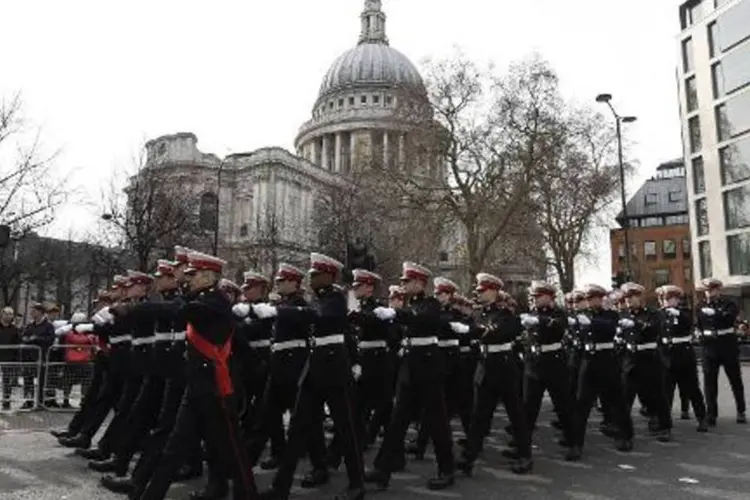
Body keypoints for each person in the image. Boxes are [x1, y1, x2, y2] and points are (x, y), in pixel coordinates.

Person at [136, 250, 257, 500]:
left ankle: (246, 495)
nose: (188, 279)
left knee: (233, 451)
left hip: (217, 388)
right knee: (174, 448)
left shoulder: (215, 302)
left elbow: (181, 311)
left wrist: (134, 310)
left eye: (193, 274)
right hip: (197, 387)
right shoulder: (200, 300)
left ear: (208, 276)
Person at [259, 253, 365, 500]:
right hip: (315, 367)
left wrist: (279, 311)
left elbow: (317, 315)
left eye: (315, 274)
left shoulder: (337, 298)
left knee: (346, 428)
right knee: (297, 427)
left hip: (335, 367)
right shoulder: (316, 300)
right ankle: (280, 487)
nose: (311, 277)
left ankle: (357, 484)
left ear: (328, 275)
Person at [365, 262, 455, 491]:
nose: (403, 285)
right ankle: (382, 469)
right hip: (410, 368)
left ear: (420, 283)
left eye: (407, 281)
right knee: (397, 421)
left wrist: (395, 313)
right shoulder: (411, 306)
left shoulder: (431, 305)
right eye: (403, 281)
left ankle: (447, 470)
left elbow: (421, 319)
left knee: (437, 422)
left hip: (428, 368)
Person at [456, 273, 532, 476]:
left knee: (515, 414)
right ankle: (469, 457)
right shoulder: (479, 313)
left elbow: (495, 332)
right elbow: (476, 329)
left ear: (493, 291)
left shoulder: (505, 314)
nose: (479, 294)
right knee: (478, 415)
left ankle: (525, 455)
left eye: (482, 291)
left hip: (504, 368)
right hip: (485, 367)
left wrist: (472, 330)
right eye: (478, 291)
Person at [696, 277, 746, 426]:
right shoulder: (700, 306)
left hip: (727, 345)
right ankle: (711, 414)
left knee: (735, 379)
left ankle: (741, 410)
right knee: (709, 383)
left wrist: (714, 313)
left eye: (711, 290)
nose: (708, 293)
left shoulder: (729, 303)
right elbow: (698, 324)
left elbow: (729, 319)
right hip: (709, 346)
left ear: (718, 290)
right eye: (706, 291)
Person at [20, 303, 55, 409]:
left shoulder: (48, 325)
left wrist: (36, 339)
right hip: (29, 357)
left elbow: (50, 340)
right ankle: (28, 400)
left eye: (34, 310)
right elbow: (24, 336)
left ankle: (40, 401)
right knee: (28, 379)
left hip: (41, 357)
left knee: (41, 380)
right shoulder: (30, 325)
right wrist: (25, 339)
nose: (32, 313)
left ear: (40, 312)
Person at [0, 307, 21, 410]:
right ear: (2, 314)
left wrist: (17, 361)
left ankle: (6, 401)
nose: (8, 316)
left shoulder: (15, 330)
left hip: (8, 359)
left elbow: (18, 345)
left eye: (11, 314)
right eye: (7, 314)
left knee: (7, 381)